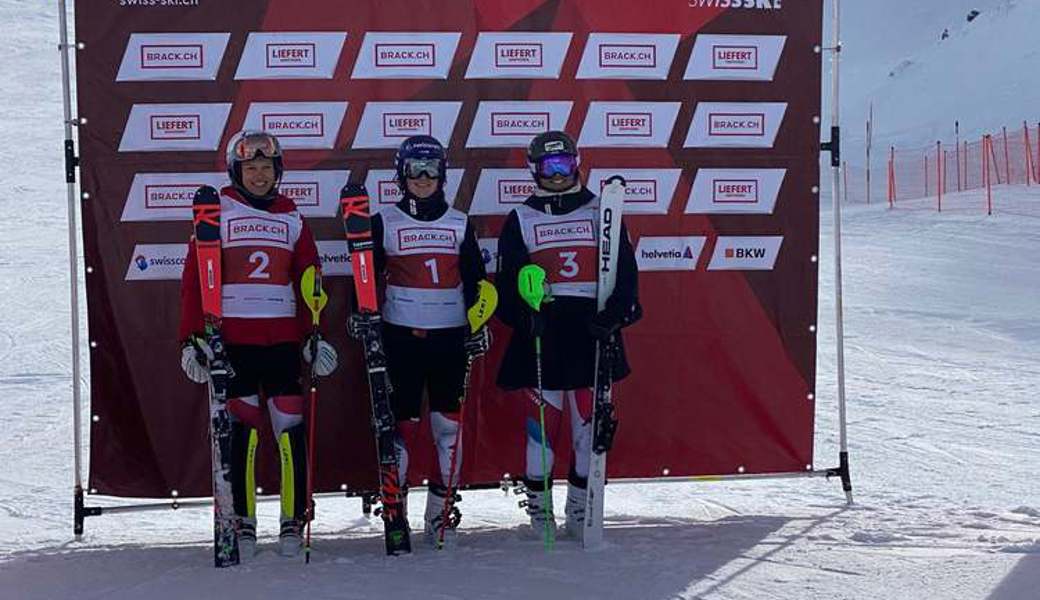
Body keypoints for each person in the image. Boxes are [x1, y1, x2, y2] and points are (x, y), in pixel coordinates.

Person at [178, 130, 338, 557]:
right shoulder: (218, 210)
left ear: (278, 171)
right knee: (242, 435)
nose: (260, 176)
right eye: (251, 168)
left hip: (282, 339)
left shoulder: (291, 215)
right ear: (237, 171)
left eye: (267, 168)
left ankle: (293, 520)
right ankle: (242, 521)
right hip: (234, 342)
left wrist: (312, 335)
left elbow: (310, 278)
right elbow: (195, 279)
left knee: (291, 432)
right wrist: (192, 338)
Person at [494, 130, 640, 542]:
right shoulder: (522, 216)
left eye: (564, 166)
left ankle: (581, 507)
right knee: (542, 428)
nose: (557, 175)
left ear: (577, 163)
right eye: (547, 167)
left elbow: (625, 276)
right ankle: (541, 512)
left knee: (586, 430)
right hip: (544, 331)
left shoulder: (601, 210)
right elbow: (507, 283)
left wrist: (612, 317)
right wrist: (525, 318)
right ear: (534, 170)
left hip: (589, 332)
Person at [351, 134, 489, 546]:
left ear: (443, 174)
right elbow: (365, 279)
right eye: (415, 169)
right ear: (401, 174)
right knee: (402, 426)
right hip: (400, 339)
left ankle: (440, 513)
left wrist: (478, 327)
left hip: (449, 340)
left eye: (432, 169)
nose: (424, 178)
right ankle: (397, 512)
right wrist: (361, 316)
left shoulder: (460, 222)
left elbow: (477, 283)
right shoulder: (384, 221)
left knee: (448, 428)